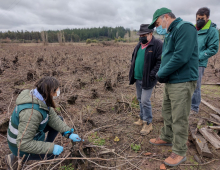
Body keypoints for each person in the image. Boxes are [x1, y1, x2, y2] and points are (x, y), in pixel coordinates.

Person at [147, 8, 198, 166]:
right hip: (172, 80)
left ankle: (179, 151)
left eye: (157, 24)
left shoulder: (185, 28)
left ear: (166, 17)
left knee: (179, 117)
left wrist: (162, 72)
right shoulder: (170, 33)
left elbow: (180, 56)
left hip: (182, 81)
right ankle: (167, 137)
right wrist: (163, 72)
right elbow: (168, 56)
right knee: (167, 112)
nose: (157, 28)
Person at [5, 77, 82, 169]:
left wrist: (68, 133)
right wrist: (51, 148)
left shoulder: (38, 97)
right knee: (54, 156)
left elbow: (53, 117)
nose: (58, 92)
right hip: (18, 146)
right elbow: (23, 143)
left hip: (25, 135)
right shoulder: (31, 113)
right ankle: (15, 158)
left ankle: (44, 147)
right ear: (50, 92)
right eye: (57, 90)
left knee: (59, 119)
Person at [129, 24, 162, 135]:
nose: (141, 37)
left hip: (148, 78)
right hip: (138, 77)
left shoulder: (157, 44)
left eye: (144, 35)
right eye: (140, 35)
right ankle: (142, 118)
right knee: (139, 99)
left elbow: (160, 62)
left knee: (145, 101)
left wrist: (152, 74)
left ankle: (148, 123)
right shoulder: (139, 44)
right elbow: (134, 58)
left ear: (150, 34)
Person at [191, 7, 219, 114]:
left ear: (208, 17)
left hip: (199, 62)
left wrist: (198, 57)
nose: (199, 20)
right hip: (188, 61)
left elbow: (213, 49)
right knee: (188, 84)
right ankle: (188, 104)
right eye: (197, 18)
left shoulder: (212, 31)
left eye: (202, 18)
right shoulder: (193, 29)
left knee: (196, 85)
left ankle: (194, 108)